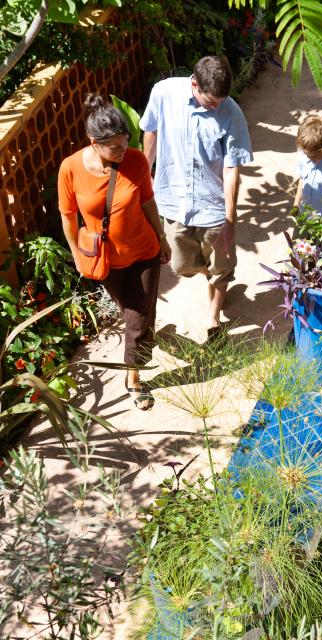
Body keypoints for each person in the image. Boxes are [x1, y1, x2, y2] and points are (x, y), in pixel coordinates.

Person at [58, 94, 171, 411]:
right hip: (106, 260)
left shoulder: (135, 160)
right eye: (115, 147)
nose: (124, 151)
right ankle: (144, 339)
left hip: (144, 250)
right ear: (94, 142)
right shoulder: (70, 169)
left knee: (136, 318)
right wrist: (77, 256)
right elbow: (68, 217)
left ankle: (133, 378)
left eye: (125, 143)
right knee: (134, 313)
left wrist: (162, 237)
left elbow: (147, 201)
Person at [139, 56, 253, 340]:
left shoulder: (231, 112)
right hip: (174, 199)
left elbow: (231, 168)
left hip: (212, 204)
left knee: (222, 266)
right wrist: (144, 179)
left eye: (220, 101)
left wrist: (230, 218)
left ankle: (214, 319)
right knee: (180, 264)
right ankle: (212, 274)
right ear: (194, 84)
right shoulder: (163, 93)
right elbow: (150, 130)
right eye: (211, 102)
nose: (217, 107)